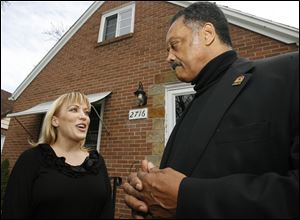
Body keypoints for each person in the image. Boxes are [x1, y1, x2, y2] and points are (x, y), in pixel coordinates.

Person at [123, 1, 299, 218]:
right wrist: (147, 196)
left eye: (174, 45)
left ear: (207, 34)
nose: (168, 57)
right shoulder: (189, 108)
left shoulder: (288, 74)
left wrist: (189, 198)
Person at [2, 92, 113, 219]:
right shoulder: (31, 159)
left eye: (86, 112)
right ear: (55, 120)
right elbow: (13, 212)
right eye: (74, 109)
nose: (84, 117)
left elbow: (107, 211)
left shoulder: (96, 162)